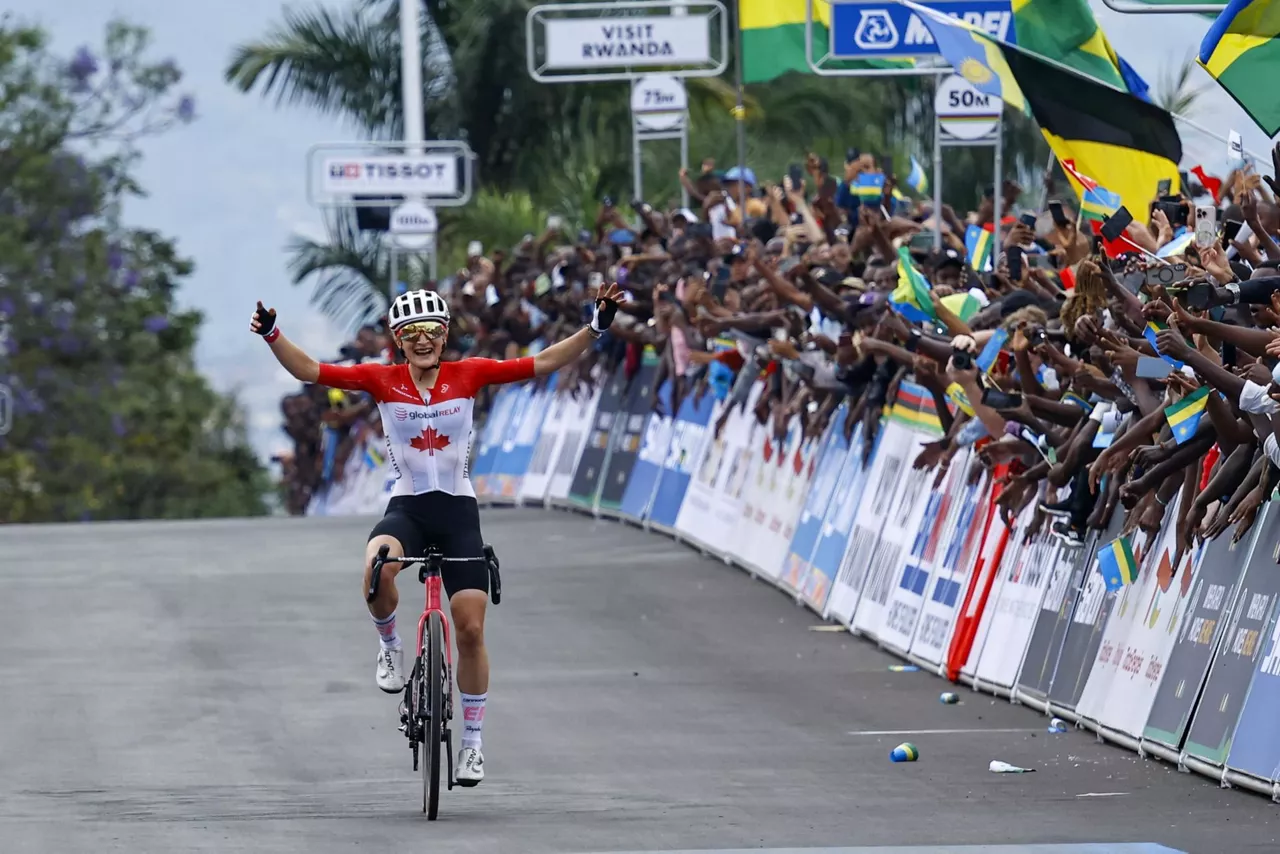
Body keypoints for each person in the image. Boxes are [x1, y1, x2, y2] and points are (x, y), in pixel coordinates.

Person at [249, 284, 621, 786]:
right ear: (398, 340)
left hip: (458, 511)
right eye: (411, 333)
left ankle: (471, 744)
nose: (423, 340)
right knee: (377, 567)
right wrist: (273, 333)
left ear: (445, 336)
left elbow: (543, 362)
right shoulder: (381, 380)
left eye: (432, 332)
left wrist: (595, 326)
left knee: (469, 629)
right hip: (408, 508)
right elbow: (312, 371)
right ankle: (389, 645)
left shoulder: (470, 374)